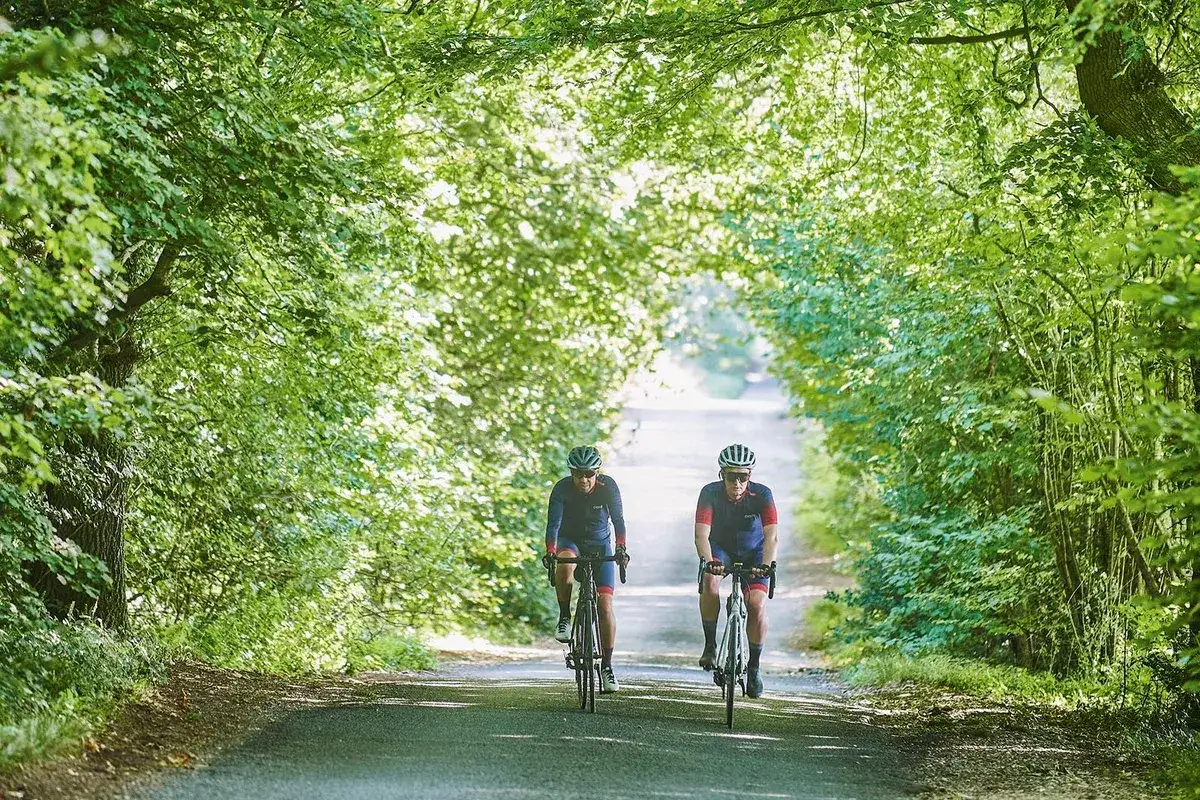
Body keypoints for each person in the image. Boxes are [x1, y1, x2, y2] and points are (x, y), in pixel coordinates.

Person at [542, 445, 629, 693]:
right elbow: (553, 525)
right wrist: (550, 550)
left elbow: (619, 520)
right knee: (565, 561)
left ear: (596, 472)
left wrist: (621, 548)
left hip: (600, 545)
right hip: (571, 541)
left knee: (605, 605)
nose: (583, 479)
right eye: (578, 474)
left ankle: (608, 667)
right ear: (572, 473)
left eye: (589, 474)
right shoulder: (561, 489)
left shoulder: (608, 487)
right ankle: (564, 618)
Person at [693, 443, 778, 698]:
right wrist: (709, 561)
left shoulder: (762, 495)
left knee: (756, 604)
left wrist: (765, 564)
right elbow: (701, 535)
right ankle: (710, 645)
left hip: (754, 552)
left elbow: (771, 535)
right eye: (732, 476)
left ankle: (754, 667)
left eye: (743, 477)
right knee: (710, 581)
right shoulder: (710, 493)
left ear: (750, 476)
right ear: (722, 475)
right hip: (721, 549)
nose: (738, 483)